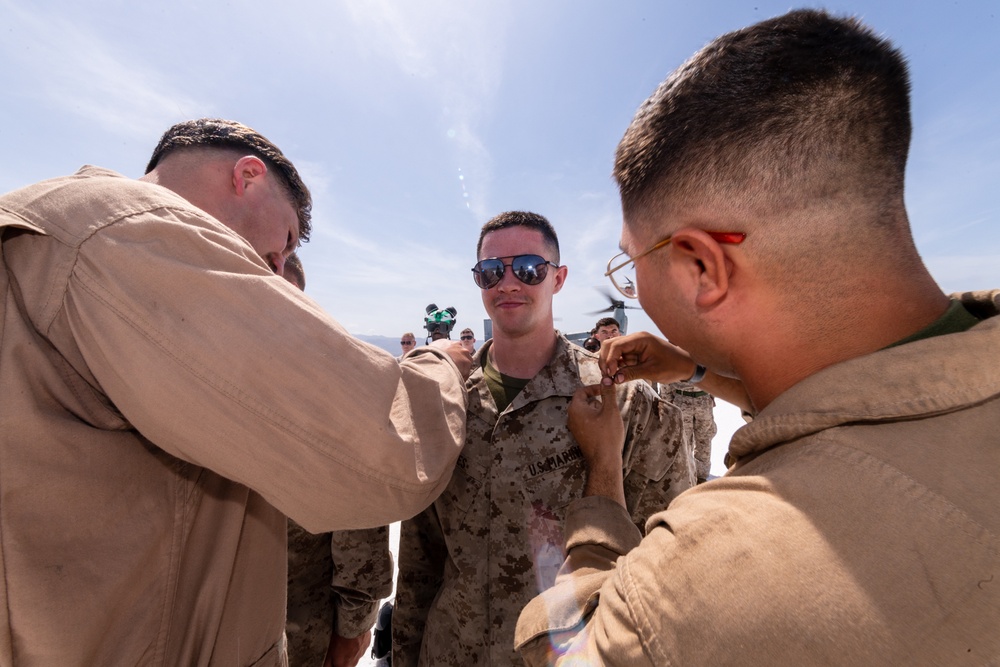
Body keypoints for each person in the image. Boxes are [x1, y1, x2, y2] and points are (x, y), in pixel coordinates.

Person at [516, 10, 1000, 665]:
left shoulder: (695, 586)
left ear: (700, 266)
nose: (636, 293)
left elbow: (568, 649)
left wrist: (603, 473)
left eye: (632, 266)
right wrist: (694, 370)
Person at [0, 118, 471, 665]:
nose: (277, 268)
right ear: (248, 176)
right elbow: (390, 451)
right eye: (287, 240)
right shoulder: (141, 232)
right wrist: (441, 363)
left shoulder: (54, 221)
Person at [392, 211, 692, 666]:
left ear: (559, 278)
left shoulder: (621, 399)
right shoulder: (447, 401)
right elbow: (420, 555)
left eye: (529, 268)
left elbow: (670, 558)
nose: (508, 283)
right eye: (492, 271)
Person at [279, 258, 393, 667]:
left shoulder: (329, 391)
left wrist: (353, 626)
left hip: (298, 635)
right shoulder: (195, 370)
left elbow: (358, 518)